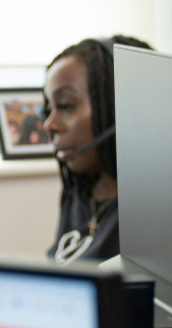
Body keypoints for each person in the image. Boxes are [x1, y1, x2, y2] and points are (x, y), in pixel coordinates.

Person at [42, 36, 153, 266]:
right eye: (49, 109)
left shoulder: (155, 212)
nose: (49, 124)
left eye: (65, 105)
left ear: (118, 105)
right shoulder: (77, 192)